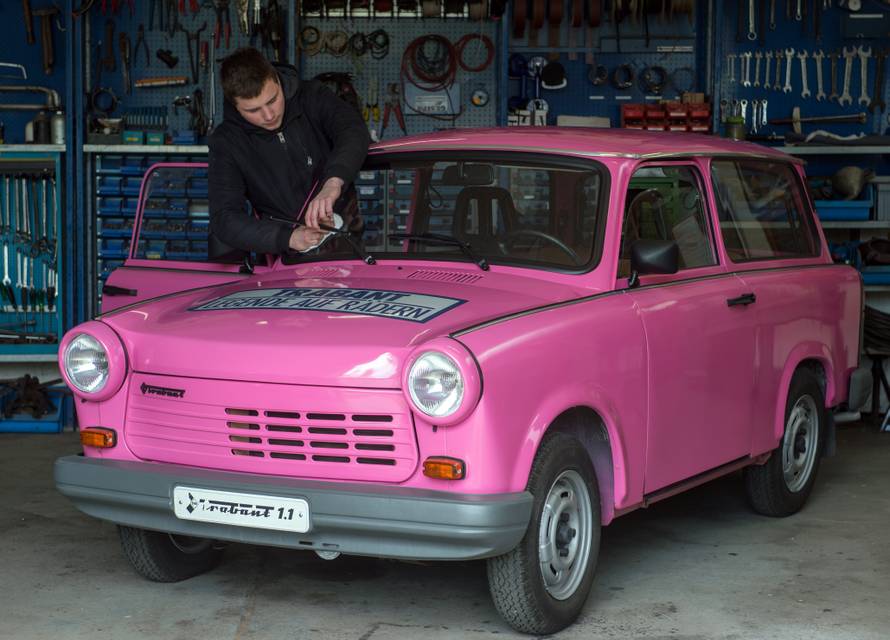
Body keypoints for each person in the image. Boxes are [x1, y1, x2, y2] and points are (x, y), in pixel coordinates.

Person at [208, 47, 370, 256]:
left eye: (272, 100)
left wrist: (334, 182)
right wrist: (288, 238)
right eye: (253, 110)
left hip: (348, 237)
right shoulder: (227, 141)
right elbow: (225, 218)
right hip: (286, 255)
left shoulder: (312, 96)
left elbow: (353, 129)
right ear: (235, 106)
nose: (269, 115)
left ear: (277, 80)